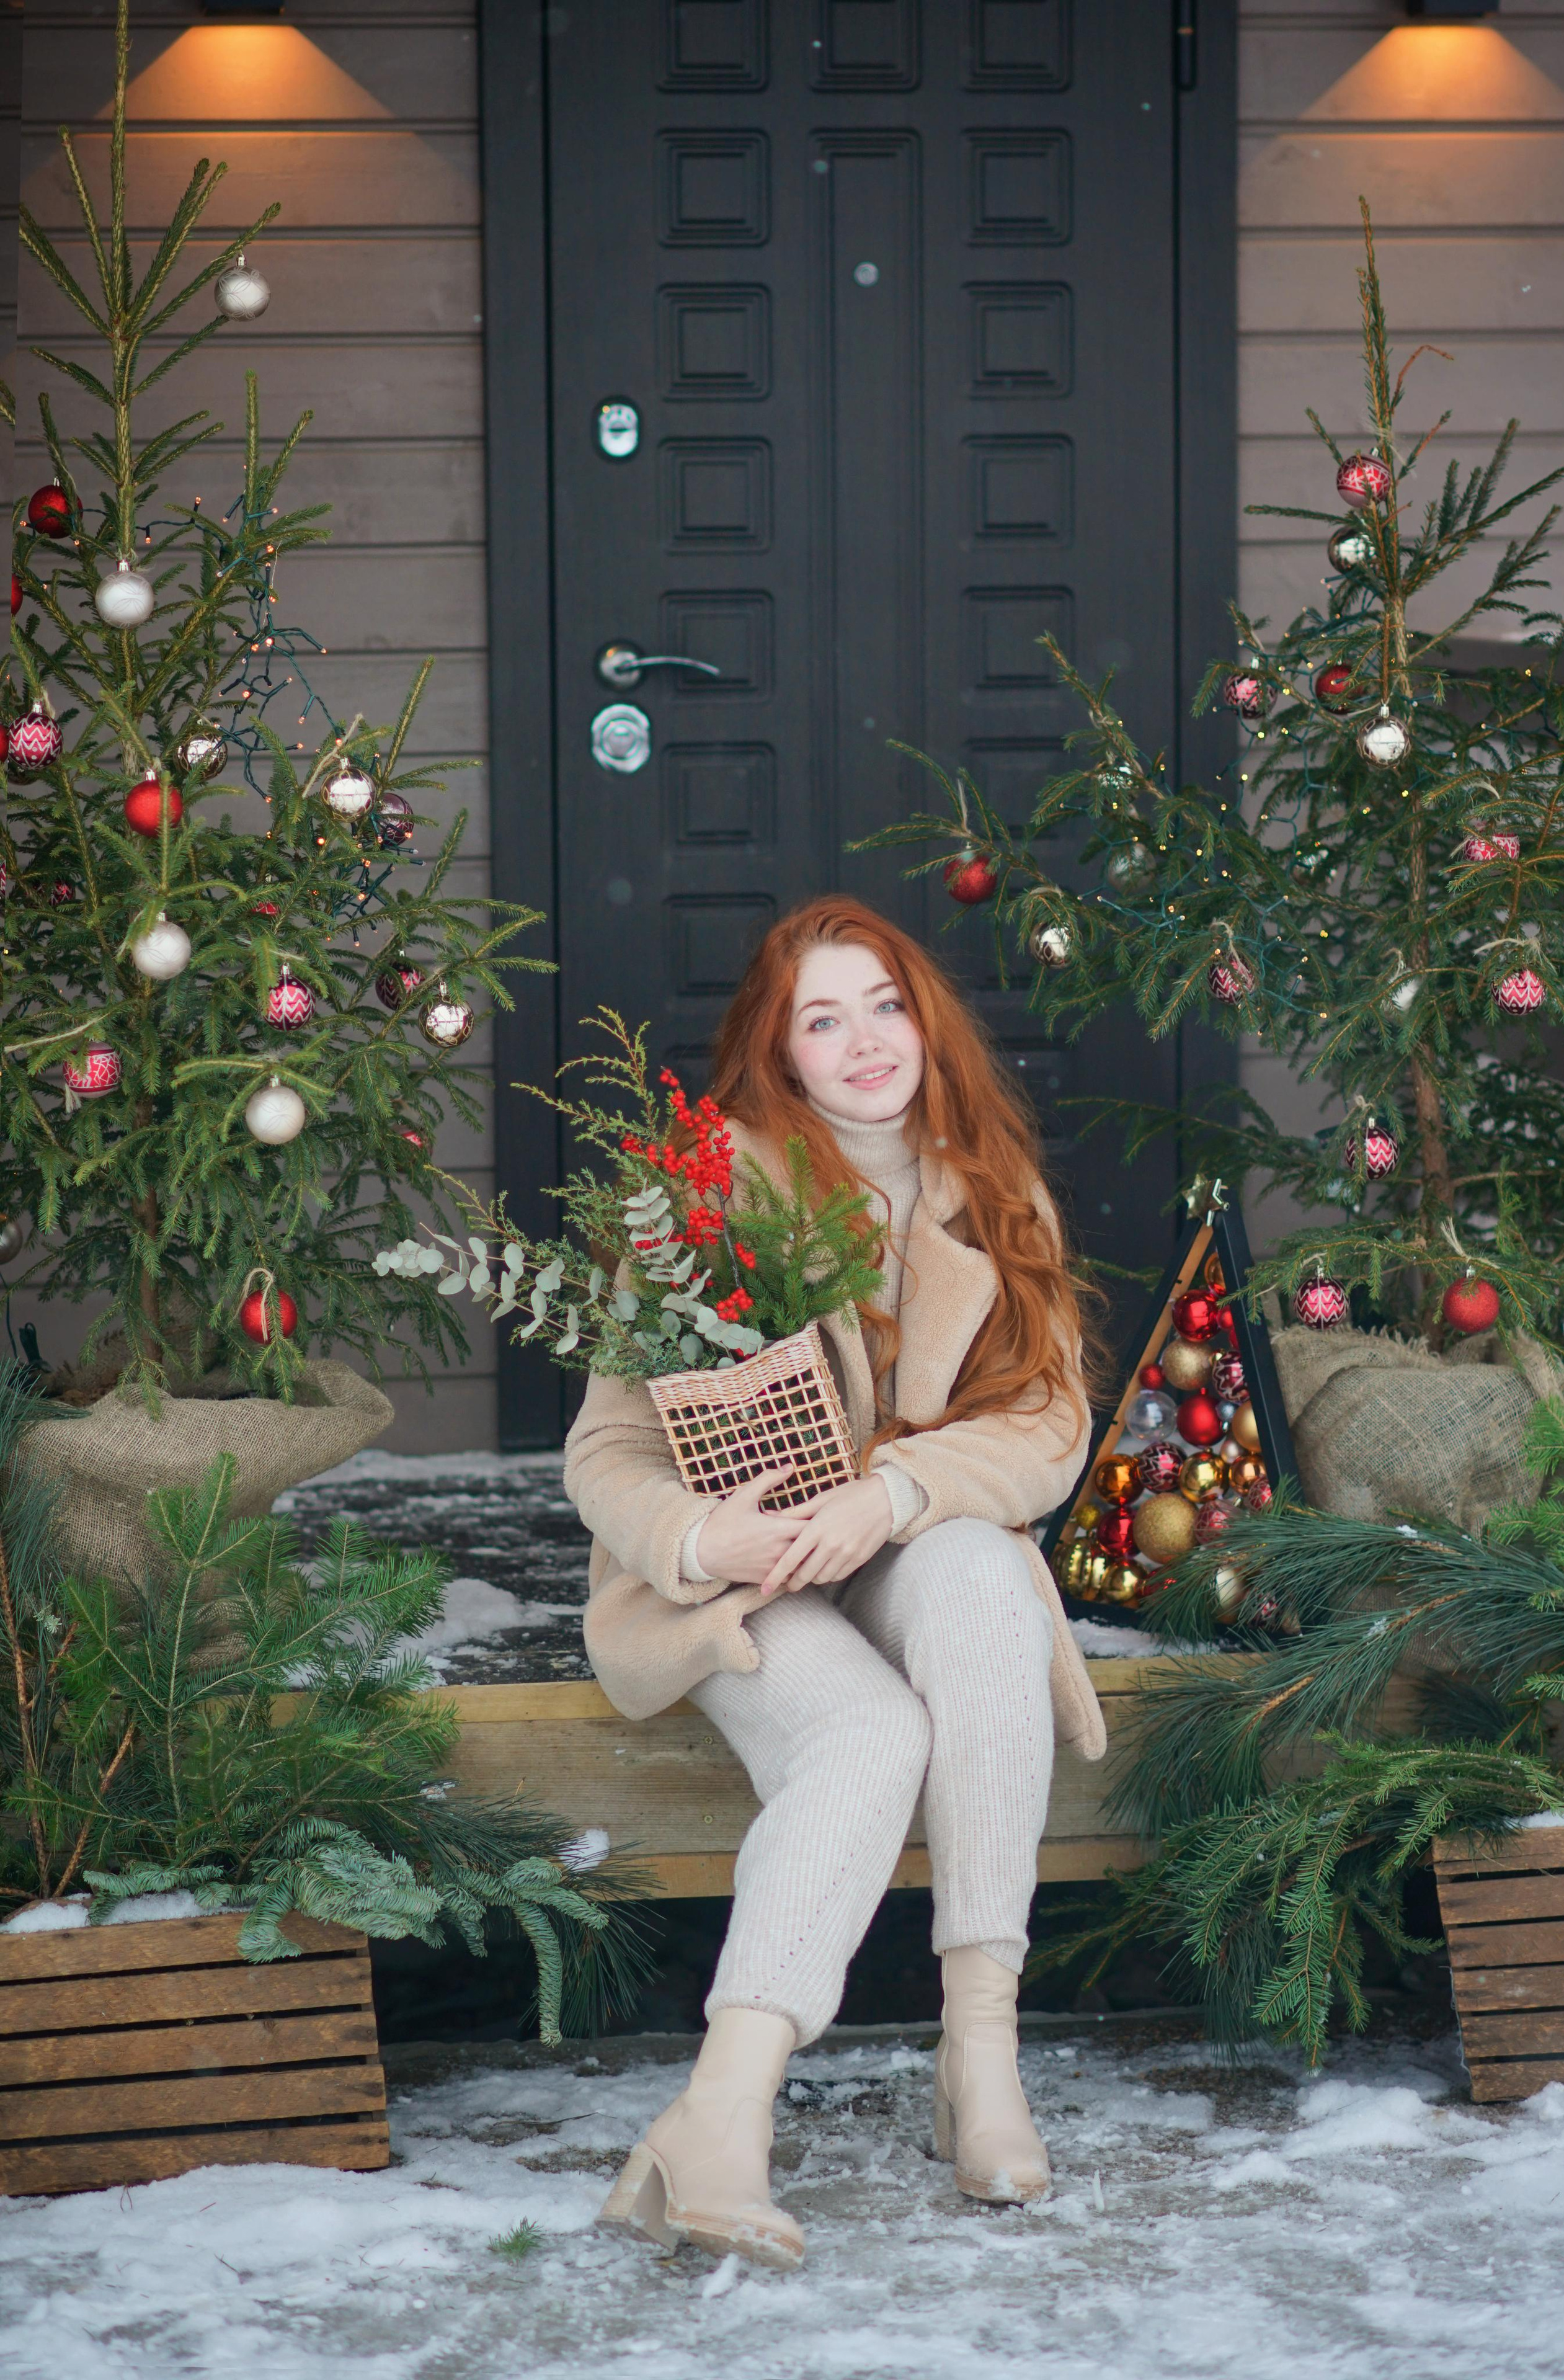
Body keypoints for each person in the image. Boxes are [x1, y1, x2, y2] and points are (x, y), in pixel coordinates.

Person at [564, 895, 1105, 2270]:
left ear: (923, 1018)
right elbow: (606, 1448)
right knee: (871, 1731)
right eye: (823, 1016)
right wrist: (704, 1537)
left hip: (890, 1549)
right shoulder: (705, 1190)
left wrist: (891, 1494)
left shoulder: (987, 1180)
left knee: (984, 1572)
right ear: (779, 1052)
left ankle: (978, 2055)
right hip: (743, 1574)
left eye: (883, 1003)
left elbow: (1048, 1428)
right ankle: (719, 2112)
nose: (863, 1038)